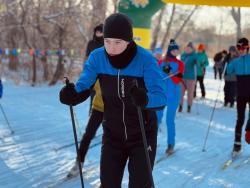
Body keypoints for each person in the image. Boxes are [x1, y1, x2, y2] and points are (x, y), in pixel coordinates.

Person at [60, 13, 167, 188]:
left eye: (118, 42)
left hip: (142, 134)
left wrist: (145, 98)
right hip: (112, 134)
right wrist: (72, 94)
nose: (111, 48)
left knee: (140, 185)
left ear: (129, 40)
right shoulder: (97, 57)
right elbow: (84, 84)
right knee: (108, 184)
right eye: (107, 41)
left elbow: (161, 97)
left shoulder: (145, 59)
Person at [67, 80, 104, 178]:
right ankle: (79, 163)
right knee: (87, 135)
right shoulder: (98, 70)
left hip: (114, 110)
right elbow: (87, 87)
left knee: (111, 141)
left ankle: (108, 173)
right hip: (98, 109)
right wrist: (73, 94)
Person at [157, 39, 184, 154]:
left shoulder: (180, 64)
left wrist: (169, 73)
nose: (176, 52)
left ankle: (170, 144)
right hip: (161, 95)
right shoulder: (160, 62)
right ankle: (151, 142)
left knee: (169, 121)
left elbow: (178, 80)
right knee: (156, 119)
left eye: (177, 50)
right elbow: (156, 77)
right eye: (174, 50)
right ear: (170, 50)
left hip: (173, 95)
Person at [227, 37, 250, 156]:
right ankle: (237, 145)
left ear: (247, 48)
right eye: (238, 48)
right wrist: (228, 59)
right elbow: (228, 72)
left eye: (243, 48)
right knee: (240, 119)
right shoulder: (235, 61)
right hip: (241, 93)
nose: (241, 50)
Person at [85, 24, 104, 115]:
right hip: (93, 70)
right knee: (92, 91)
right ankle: (92, 110)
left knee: (104, 91)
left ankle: (104, 111)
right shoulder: (91, 43)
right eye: (97, 31)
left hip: (105, 71)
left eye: (100, 31)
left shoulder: (106, 43)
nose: (98, 33)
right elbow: (86, 56)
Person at [179, 42, 197, 113]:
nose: (188, 49)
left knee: (190, 93)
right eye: (187, 48)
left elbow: (197, 64)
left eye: (189, 48)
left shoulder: (194, 56)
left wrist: (196, 62)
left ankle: (189, 106)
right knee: (180, 93)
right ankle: (180, 106)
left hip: (191, 78)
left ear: (192, 49)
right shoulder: (183, 55)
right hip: (182, 77)